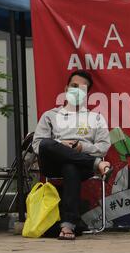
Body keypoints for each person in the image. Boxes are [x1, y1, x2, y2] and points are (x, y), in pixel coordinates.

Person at [32, 70, 113, 240]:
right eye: (73, 86)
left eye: (81, 88)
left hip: (80, 167)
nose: (76, 90)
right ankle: (96, 163)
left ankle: (67, 226)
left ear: (87, 94)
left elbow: (104, 147)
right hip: (53, 164)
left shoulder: (95, 117)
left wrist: (81, 147)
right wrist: (61, 145)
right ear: (66, 88)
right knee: (47, 143)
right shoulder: (50, 116)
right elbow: (38, 145)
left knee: (71, 166)